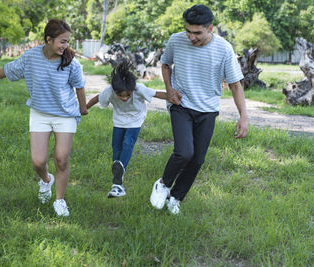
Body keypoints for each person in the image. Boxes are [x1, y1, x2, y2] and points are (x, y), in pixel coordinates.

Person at [0, 19, 88, 217]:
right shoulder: (31, 57)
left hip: (65, 115)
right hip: (40, 113)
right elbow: (10, 69)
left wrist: (83, 108)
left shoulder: (71, 62)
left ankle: (59, 200)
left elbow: (79, 86)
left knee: (61, 159)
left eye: (67, 42)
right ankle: (46, 180)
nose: (66, 46)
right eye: (62, 41)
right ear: (49, 39)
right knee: (38, 162)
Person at [149, 4, 248, 215]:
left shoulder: (224, 49)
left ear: (210, 28)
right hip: (181, 104)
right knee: (184, 152)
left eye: (197, 33)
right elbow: (165, 64)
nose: (191, 37)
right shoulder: (177, 40)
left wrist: (243, 117)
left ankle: (175, 198)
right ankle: (163, 184)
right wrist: (169, 89)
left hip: (208, 109)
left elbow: (235, 84)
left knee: (198, 159)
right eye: (188, 31)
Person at [87, 61, 166, 198]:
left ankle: (118, 177)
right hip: (119, 120)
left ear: (132, 90)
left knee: (128, 143)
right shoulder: (109, 91)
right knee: (116, 147)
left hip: (136, 119)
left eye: (127, 95)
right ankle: (117, 184)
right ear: (115, 91)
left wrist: (173, 96)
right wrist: (84, 108)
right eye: (121, 96)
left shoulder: (138, 88)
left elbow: (157, 93)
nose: (124, 98)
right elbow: (96, 98)